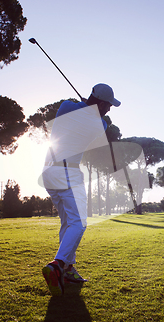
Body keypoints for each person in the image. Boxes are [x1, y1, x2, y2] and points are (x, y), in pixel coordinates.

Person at [41, 83, 120, 296]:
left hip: (49, 172)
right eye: (109, 105)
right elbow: (98, 119)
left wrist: (85, 104)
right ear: (102, 103)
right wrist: (90, 109)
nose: (109, 109)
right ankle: (57, 265)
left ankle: (68, 268)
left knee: (68, 223)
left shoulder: (66, 106)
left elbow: (75, 107)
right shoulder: (100, 124)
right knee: (80, 223)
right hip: (69, 173)